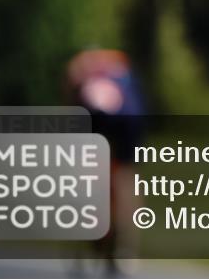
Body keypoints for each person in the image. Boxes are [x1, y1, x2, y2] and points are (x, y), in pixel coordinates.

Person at [64, 47, 145, 276]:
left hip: (95, 113)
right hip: (130, 115)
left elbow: (71, 99)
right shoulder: (121, 64)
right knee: (126, 175)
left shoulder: (79, 67)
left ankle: (86, 234)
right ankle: (125, 248)